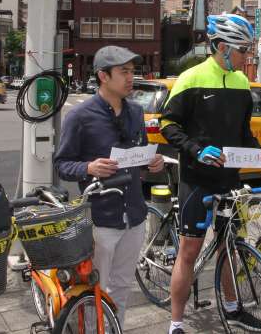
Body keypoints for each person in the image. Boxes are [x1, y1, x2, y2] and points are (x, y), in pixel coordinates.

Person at [160, 14, 261, 334]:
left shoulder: (241, 82)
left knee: (229, 248)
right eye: (242, 50)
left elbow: (243, 132)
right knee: (189, 251)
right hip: (196, 180)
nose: (246, 56)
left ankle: (233, 307)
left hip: (229, 181)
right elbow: (168, 125)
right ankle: (176, 322)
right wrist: (196, 149)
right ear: (222, 47)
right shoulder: (191, 78)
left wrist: (258, 149)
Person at [54, 46, 164, 326]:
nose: (131, 78)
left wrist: (152, 163)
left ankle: (116, 328)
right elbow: (62, 164)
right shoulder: (79, 117)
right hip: (101, 218)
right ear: (103, 75)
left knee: (123, 286)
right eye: (123, 72)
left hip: (135, 215)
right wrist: (88, 168)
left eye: (132, 71)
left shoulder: (136, 112)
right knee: (95, 289)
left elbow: (138, 155)